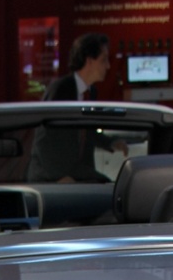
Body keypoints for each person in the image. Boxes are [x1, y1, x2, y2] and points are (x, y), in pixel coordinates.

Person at [27, 33, 129, 183]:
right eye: (103, 60)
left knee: (111, 187)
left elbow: (87, 131)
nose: (108, 66)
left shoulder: (91, 92)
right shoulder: (61, 89)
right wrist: (59, 177)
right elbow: (43, 140)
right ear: (89, 61)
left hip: (77, 170)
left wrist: (111, 142)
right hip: (50, 175)